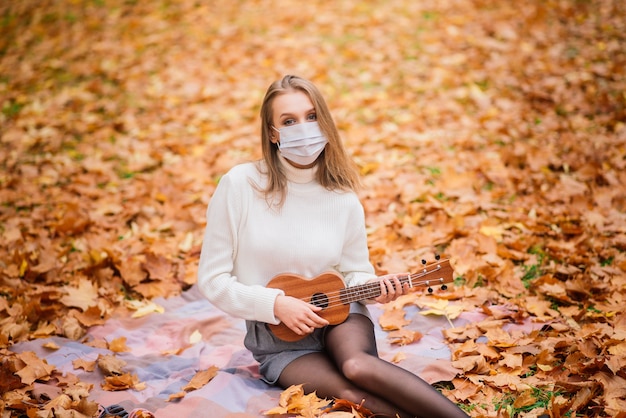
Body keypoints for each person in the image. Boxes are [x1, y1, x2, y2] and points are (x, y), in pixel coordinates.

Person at [197, 75, 468, 418]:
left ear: (325, 122)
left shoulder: (342, 198)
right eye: (289, 121)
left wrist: (376, 290)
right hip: (278, 338)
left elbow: (355, 273)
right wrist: (276, 305)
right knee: (348, 392)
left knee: (358, 367)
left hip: (340, 314)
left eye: (312, 117)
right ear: (272, 133)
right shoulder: (239, 185)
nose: (304, 128)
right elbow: (213, 279)